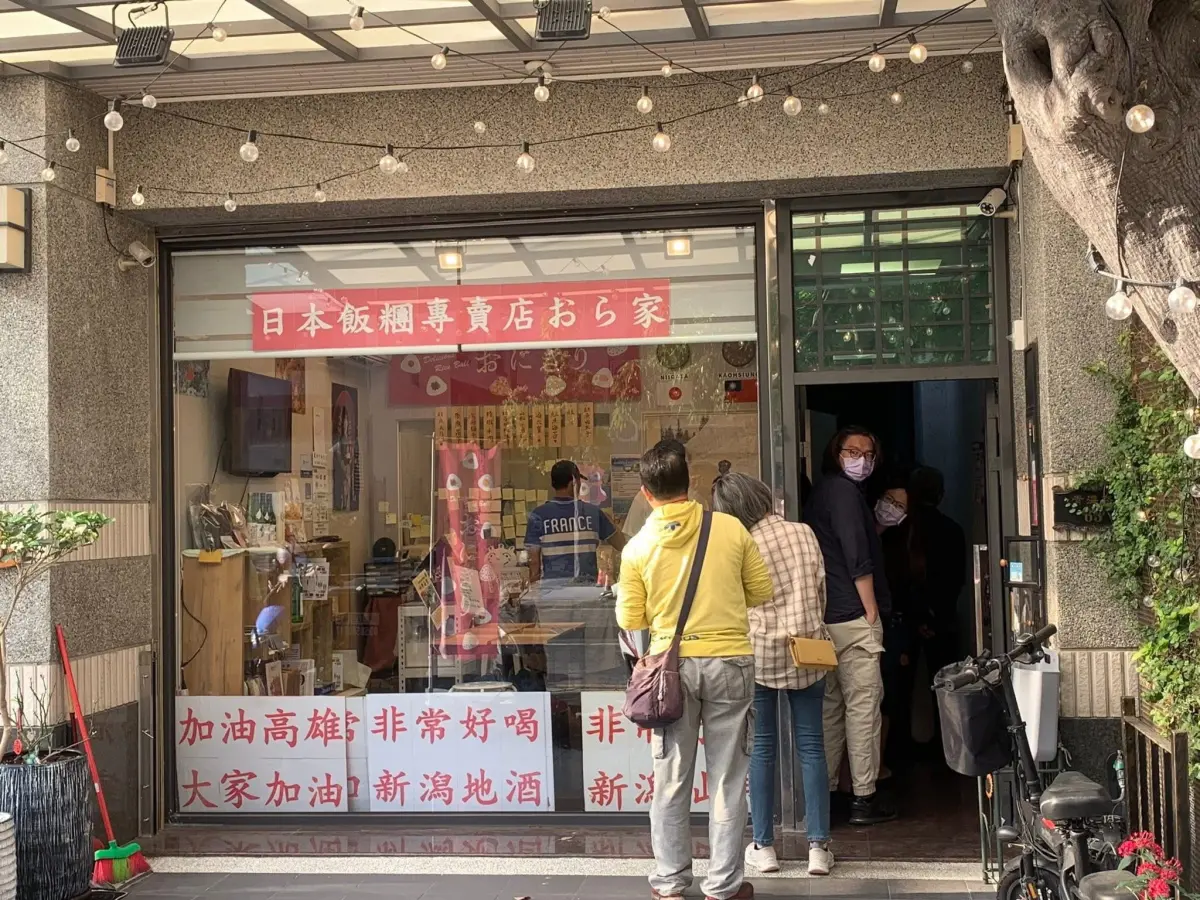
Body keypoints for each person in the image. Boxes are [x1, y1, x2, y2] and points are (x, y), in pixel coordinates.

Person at [617, 440, 773, 900]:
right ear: (692, 483)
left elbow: (631, 620)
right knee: (728, 779)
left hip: (671, 674)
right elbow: (760, 591)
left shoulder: (638, 547)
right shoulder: (728, 529)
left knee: (671, 780)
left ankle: (669, 882)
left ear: (646, 492)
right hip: (731, 664)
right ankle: (723, 886)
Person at [711, 473, 834, 878]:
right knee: (812, 747)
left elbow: (736, 602)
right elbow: (820, 590)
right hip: (809, 650)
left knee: (761, 749)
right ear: (761, 497)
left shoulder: (740, 545)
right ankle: (818, 847)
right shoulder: (803, 533)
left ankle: (764, 847)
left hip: (759, 654)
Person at [802, 426, 896, 825]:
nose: (862, 460)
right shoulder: (843, 492)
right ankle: (864, 797)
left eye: (869, 454)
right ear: (835, 452)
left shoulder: (822, 493)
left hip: (825, 619)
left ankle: (823, 799)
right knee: (862, 709)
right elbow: (856, 554)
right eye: (852, 451)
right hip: (854, 620)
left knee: (831, 709)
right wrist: (871, 609)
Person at [893, 466, 967, 753]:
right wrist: (936, 616)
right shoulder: (952, 530)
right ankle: (947, 747)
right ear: (941, 494)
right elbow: (956, 579)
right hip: (943, 618)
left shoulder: (902, 530)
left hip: (904, 619)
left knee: (900, 687)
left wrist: (915, 616)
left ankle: (899, 749)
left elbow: (897, 578)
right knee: (947, 685)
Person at [525, 460, 625, 583]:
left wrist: (534, 592)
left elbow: (534, 562)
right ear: (573, 483)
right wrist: (608, 519)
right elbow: (622, 544)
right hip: (586, 592)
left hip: (552, 594)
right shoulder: (593, 513)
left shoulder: (538, 516)